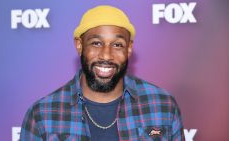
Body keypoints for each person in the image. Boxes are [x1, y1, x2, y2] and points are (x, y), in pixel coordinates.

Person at [20, 5, 185, 141]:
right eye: (96, 43)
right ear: (79, 45)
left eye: (117, 45)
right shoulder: (43, 114)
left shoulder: (162, 105)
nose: (106, 55)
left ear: (129, 49)